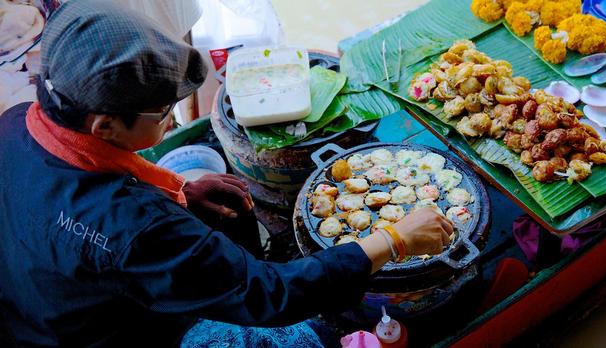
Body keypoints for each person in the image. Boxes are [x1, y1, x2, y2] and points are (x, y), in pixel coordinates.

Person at [0, 1, 454, 346]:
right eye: (162, 112)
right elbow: (267, 295)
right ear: (105, 126)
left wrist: (179, 191)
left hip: (39, 301)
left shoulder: (18, 120)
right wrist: (395, 240)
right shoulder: (133, 229)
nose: (167, 119)